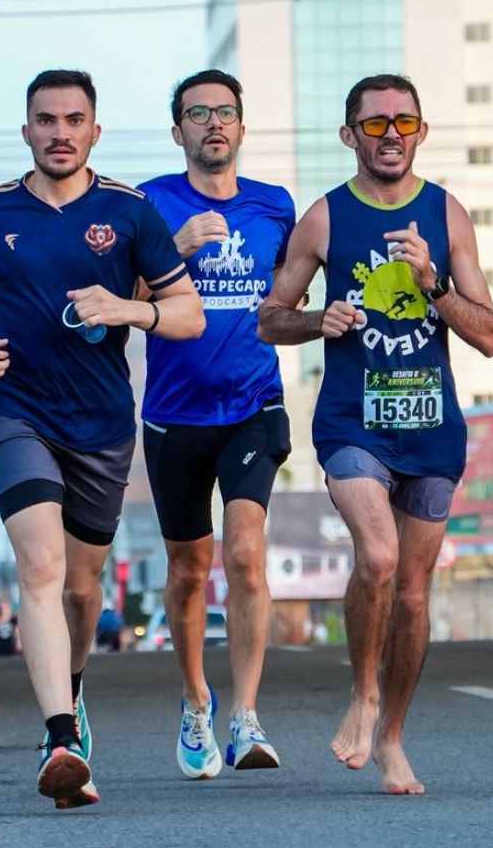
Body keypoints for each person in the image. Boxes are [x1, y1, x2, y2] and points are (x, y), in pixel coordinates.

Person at [0, 69, 204, 809]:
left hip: (100, 426)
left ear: (94, 131)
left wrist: (128, 309)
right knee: (41, 565)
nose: (59, 133)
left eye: (73, 120)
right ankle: (60, 739)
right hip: (14, 410)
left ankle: (71, 694)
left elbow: (188, 313)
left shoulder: (129, 212)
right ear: (26, 130)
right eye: (46, 120)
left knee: (81, 590)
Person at [258, 74, 493, 794]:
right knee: (381, 555)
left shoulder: (447, 214)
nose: (390, 135)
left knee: (414, 596)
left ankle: (392, 734)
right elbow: (270, 318)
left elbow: (489, 334)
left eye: (403, 122)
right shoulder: (324, 218)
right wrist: (317, 320)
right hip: (352, 423)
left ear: (421, 132)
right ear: (349, 135)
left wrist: (433, 284)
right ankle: (362, 692)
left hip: (431, 429)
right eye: (374, 124)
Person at [138, 69, 295, 779]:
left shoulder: (275, 205)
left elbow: (291, 295)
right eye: (198, 114)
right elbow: (119, 299)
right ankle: (196, 699)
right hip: (173, 416)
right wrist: (172, 249)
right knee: (187, 570)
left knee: (245, 554)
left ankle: (246, 716)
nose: (213, 124)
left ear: (241, 125)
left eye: (225, 112)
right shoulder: (150, 204)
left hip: (252, 406)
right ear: (179, 132)